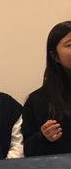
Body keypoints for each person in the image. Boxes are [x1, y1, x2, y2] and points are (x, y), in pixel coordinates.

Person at [22, 21, 71, 157]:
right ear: (54, 56)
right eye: (70, 45)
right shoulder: (38, 100)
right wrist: (43, 137)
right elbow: (27, 150)